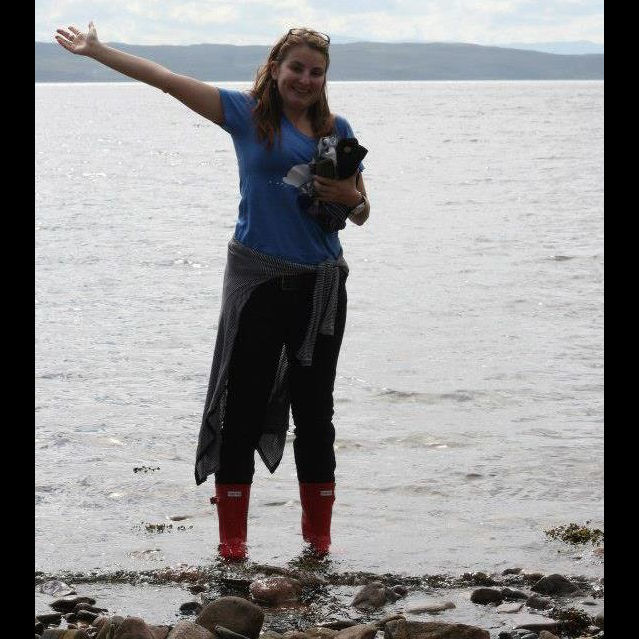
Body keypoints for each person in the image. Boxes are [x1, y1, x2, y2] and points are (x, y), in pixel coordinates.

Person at [55, 23, 370, 560]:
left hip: (321, 289)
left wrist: (348, 196)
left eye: (316, 72)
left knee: (316, 417)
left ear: (325, 78)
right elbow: (166, 79)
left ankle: (319, 547)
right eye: (296, 68)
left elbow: (361, 211)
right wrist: (98, 51)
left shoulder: (335, 129)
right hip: (259, 284)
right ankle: (232, 548)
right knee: (240, 412)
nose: (305, 79)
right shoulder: (246, 114)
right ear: (276, 67)